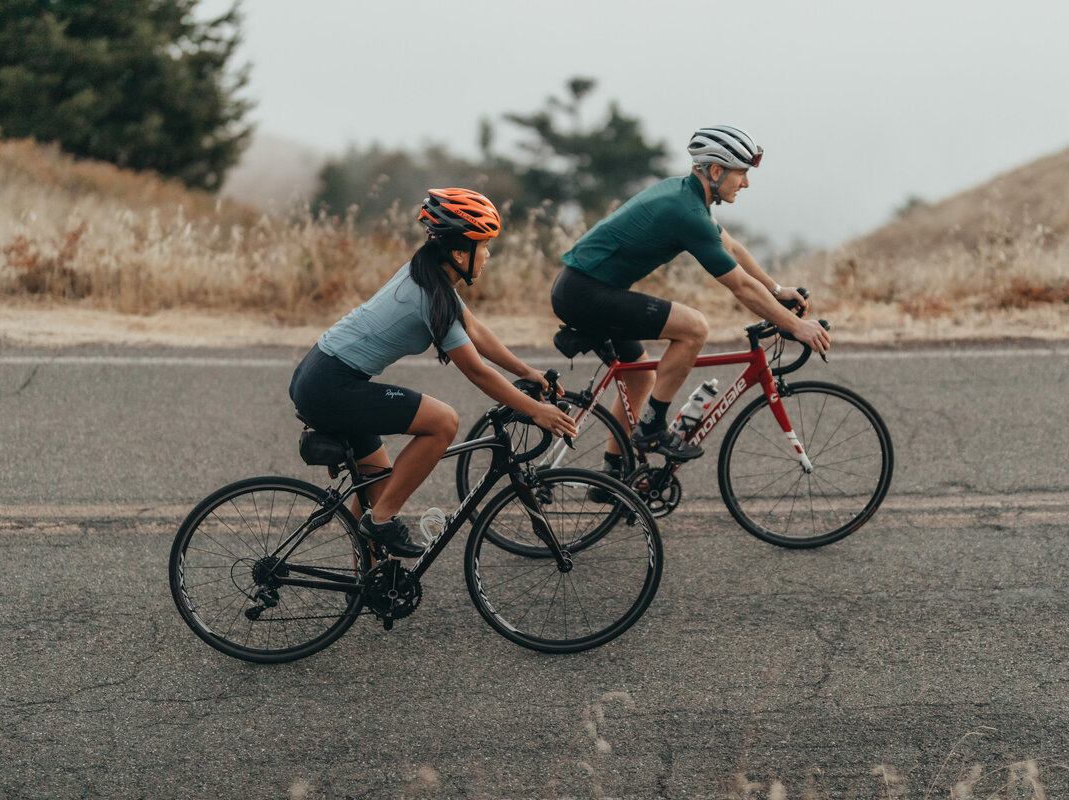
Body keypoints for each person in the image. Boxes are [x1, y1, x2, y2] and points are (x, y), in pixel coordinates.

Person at [290, 188, 577, 557]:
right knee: (443, 421)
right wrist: (535, 409)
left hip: (321, 375)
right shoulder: (429, 293)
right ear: (459, 252)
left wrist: (528, 371)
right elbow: (476, 371)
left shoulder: (429, 273)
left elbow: (475, 331)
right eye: (484, 245)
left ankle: (370, 583)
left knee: (380, 484)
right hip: (330, 386)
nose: (487, 255)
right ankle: (379, 523)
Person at [551, 124, 830, 471]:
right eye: (741, 174)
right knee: (694, 328)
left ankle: (614, 470)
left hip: (582, 288)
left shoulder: (685, 194)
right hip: (585, 293)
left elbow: (731, 247)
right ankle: (652, 429)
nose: (745, 183)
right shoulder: (687, 213)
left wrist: (776, 290)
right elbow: (740, 286)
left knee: (641, 376)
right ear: (716, 171)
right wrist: (797, 326)